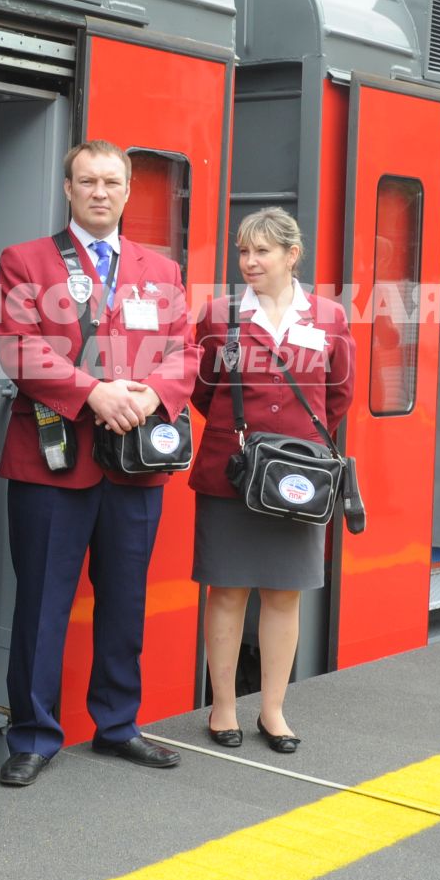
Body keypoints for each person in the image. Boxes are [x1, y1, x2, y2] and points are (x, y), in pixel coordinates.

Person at [0, 140, 200, 786]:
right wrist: (95, 393)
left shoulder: (161, 271)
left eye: (112, 181)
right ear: (68, 187)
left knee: (124, 600)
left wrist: (152, 393)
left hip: (135, 465)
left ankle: (117, 723)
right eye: (88, 181)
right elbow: (18, 348)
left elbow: (186, 352)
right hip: (51, 463)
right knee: (42, 604)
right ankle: (32, 734)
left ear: (130, 190)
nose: (100, 192)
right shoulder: (26, 261)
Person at [188, 209, 354, 753]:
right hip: (230, 474)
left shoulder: (328, 316)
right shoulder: (218, 316)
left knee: (284, 595)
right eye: (242, 252)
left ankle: (274, 711)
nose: (249, 262)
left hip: (298, 479)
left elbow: (339, 394)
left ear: (291, 255)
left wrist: (291, 447)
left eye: (261, 251)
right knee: (228, 590)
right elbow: (202, 390)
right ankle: (223, 708)